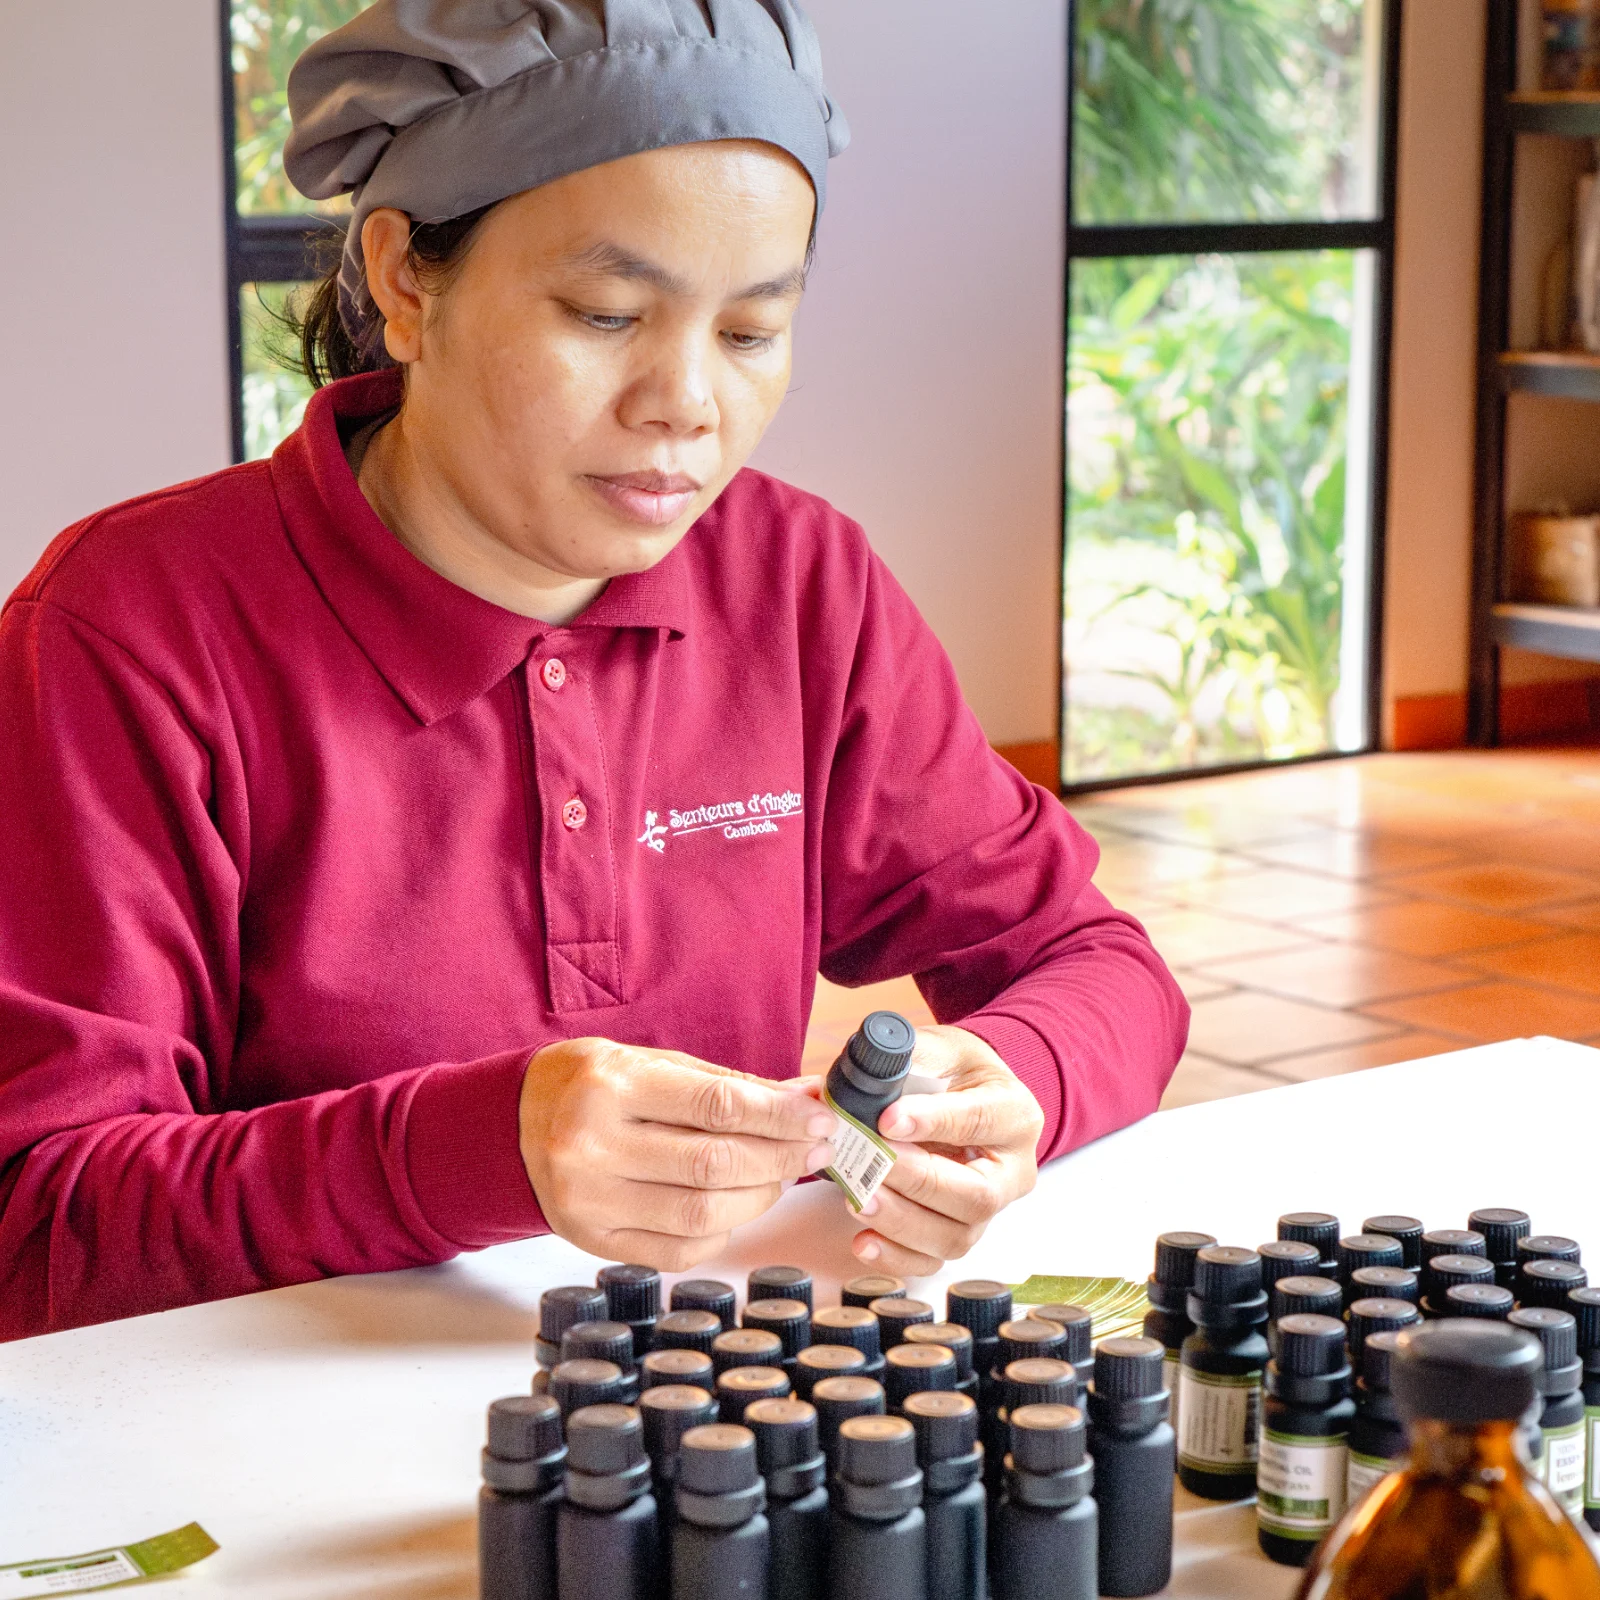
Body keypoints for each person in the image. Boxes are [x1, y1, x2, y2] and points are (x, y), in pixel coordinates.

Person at [0, 0, 1187, 1342]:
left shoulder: (801, 587)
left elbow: (1102, 967)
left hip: (702, 1429)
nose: (686, 401)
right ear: (403, 277)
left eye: (750, 332)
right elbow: (37, 1227)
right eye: (609, 312)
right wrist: (479, 1148)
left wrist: (1015, 1083)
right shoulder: (129, 632)